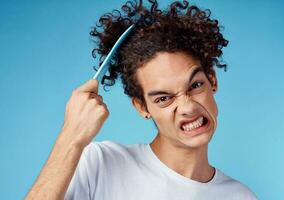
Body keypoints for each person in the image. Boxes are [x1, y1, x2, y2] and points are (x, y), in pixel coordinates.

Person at [26, 0, 257, 199]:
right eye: (164, 98)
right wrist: (70, 138)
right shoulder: (99, 164)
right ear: (141, 106)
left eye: (195, 85)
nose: (187, 107)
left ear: (212, 81)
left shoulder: (240, 196)